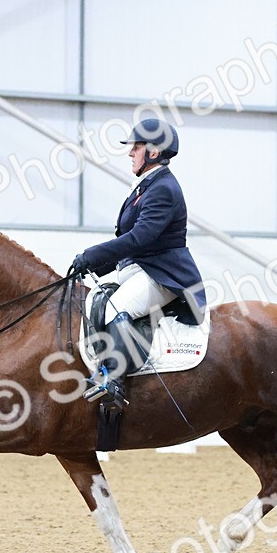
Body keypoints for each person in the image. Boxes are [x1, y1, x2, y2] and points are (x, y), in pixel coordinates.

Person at [70, 118, 206, 410]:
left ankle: (113, 381)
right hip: (139, 270)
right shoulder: (145, 187)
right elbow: (130, 243)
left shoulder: (163, 188)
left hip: (164, 275)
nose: (130, 152)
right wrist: (96, 266)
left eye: (137, 146)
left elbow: (141, 238)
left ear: (153, 152)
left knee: (117, 306)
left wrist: (93, 254)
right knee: (93, 299)